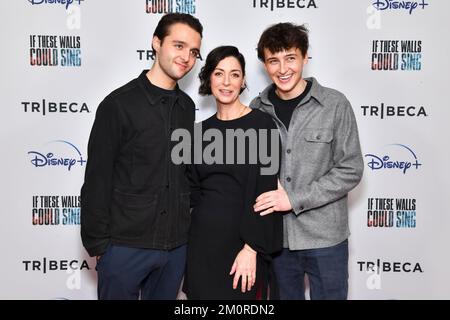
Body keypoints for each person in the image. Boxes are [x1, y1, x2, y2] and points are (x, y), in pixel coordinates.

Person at [80, 13, 203, 300]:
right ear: (156, 42)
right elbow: (98, 179)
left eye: (194, 51)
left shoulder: (186, 107)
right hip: (125, 247)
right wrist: (101, 248)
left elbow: (183, 172)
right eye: (179, 45)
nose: (186, 57)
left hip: (174, 248)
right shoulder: (117, 105)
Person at [251, 23, 364, 300]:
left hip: (326, 239)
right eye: (273, 60)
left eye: (290, 58)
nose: (283, 68)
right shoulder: (255, 110)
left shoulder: (335, 105)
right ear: (265, 64)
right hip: (277, 240)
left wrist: (294, 199)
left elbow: (351, 169)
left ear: (304, 57)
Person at [185, 46, 283, 299]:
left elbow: (266, 193)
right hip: (202, 246)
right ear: (208, 79)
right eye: (219, 74)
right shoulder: (196, 133)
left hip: (244, 248)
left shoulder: (262, 125)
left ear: (243, 81)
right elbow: (191, 193)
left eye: (235, 74)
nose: (226, 82)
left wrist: (251, 249)